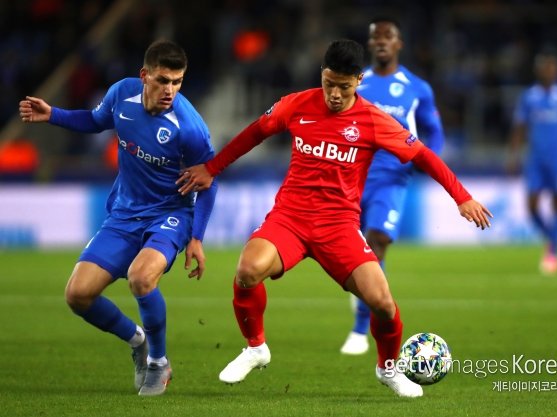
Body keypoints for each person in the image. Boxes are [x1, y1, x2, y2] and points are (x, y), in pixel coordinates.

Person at [177, 39, 491, 398]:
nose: (335, 94)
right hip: (290, 218)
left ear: (359, 80)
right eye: (329, 84)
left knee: (383, 303)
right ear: (322, 75)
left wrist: (462, 197)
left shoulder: (374, 120)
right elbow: (254, 133)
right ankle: (255, 348)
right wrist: (212, 168)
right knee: (247, 270)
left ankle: (388, 369)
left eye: (344, 86)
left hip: (339, 226)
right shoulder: (296, 104)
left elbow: (422, 155)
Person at [18, 40, 217, 396]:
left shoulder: (189, 128)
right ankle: (137, 340)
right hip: (124, 214)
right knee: (78, 295)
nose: (170, 90)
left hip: (169, 215)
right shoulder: (121, 94)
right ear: (144, 76)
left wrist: (197, 237)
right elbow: (96, 121)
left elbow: (209, 183)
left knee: (141, 278)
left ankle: (158, 362)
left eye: (177, 81)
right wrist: (53, 114)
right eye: (162, 80)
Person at [340, 18, 445, 356]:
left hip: (393, 178)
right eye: (377, 37)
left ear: (399, 44)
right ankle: (362, 295)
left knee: (378, 242)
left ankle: (360, 328)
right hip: (351, 177)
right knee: (353, 252)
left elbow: (434, 131)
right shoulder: (357, 83)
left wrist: (427, 161)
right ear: (370, 44)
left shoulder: (417, 88)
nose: (382, 41)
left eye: (389, 37)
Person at [507, 48, 557, 275]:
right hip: (535, 158)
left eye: (553, 67)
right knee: (531, 206)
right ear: (539, 70)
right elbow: (519, 128)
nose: (550, 71)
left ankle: (554, 252)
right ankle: (552, 239)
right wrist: (513, 156)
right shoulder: (529, 97)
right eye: (546, 67)